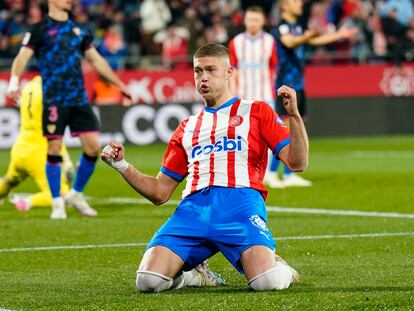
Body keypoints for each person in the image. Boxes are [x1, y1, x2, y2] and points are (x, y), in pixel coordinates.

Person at [101, 43, 308, 292]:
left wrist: (294, 116)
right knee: (147, 281)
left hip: (240, 205)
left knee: (267, 282)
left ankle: (280, 267)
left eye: (211, 70)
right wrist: (121, 165)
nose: (203, 77)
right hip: (193, 210)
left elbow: (298, 163)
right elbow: (159, 192)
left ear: (229, 72)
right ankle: (193, 276)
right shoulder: (187, 127)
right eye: (198, 71)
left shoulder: (256, 111)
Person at [7, 0, 132, 219]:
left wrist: (120, 85)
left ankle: (75, 194)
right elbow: (22, 57)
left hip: (78, 99)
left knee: (93, 147)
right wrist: (14, 83)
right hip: (55, 99)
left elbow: (96, 60)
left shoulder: (79, 29)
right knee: (54, 148)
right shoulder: (40, 29)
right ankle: (57, 203)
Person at [272, 0, 357, 187]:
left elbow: (314, 40)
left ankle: (288, 174)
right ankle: (271, 172)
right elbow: (289, 42)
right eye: (294, 1)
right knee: (285, 129)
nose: (299, 4)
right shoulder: (281, 26)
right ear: (285, 6)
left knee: (297, 126)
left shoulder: (295, 26)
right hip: (285, 84)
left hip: (299, 84)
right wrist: (306, 36)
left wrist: (339, 34)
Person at [228, 6, 283, 188]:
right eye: (250, 19)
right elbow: (233, 70)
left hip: (265, 96)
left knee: (269, 136)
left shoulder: (269, 41)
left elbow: (275, 68)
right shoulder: (236, 42)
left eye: (256, 20)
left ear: (263, 21)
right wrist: (234, 95)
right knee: (242, 136)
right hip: (243, 97)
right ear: (244, 21)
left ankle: (268, 174)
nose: (252, 23)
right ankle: (245, 174)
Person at [0, 76, 74, 212]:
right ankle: (26, 202)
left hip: (20, 148)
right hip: (39, 152)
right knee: (60, 194)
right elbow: (54, 127)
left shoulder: (30, 86)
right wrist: (64, 155)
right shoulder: (51, 90)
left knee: (8, 181)